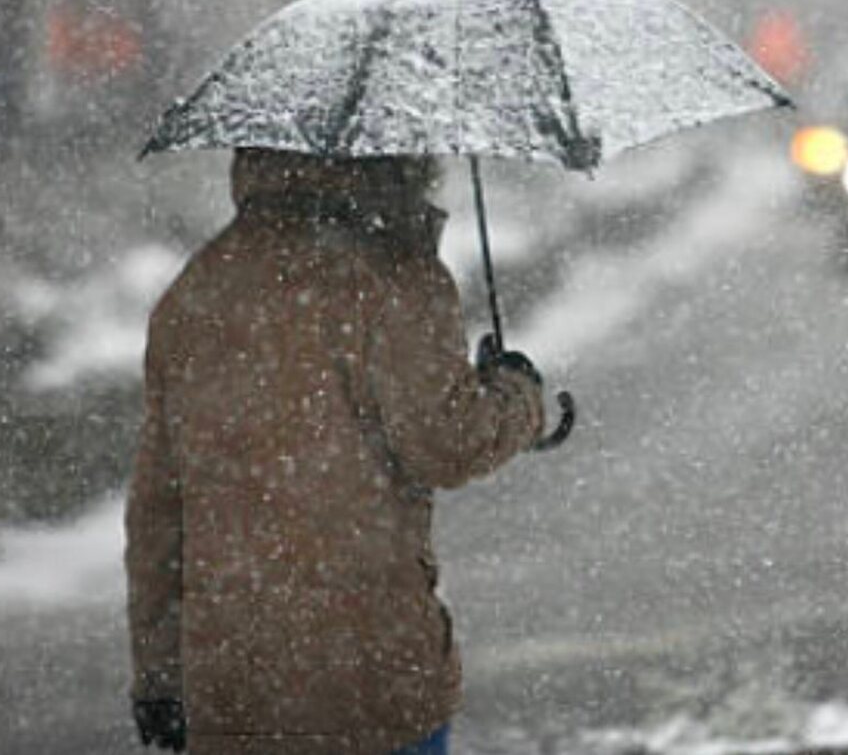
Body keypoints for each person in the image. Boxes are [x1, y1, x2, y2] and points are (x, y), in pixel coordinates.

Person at [126, 149, 546, 754]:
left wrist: (161, 675)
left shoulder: (197, 289)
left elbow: (159, 514)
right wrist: (517, 396)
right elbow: (449, 444)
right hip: (370, 678)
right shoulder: (397, 278)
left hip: (233, 687)